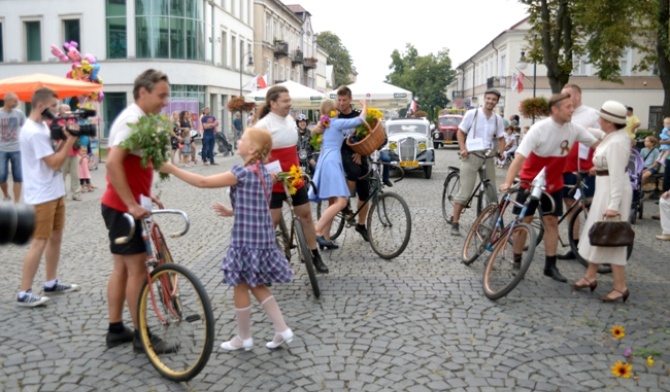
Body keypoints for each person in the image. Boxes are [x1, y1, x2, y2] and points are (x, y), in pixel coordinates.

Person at [160, 128, 294, 351]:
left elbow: (203, 182)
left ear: (251, 149)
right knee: (256, 284)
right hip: (262, 239)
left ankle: (245, 337)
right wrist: (233, 211)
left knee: (240, 285)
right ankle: (281, 329)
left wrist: (172, 169)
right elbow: (257, 204)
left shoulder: (241, 173)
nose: (238, 140)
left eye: (242, 139)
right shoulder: (264, 173)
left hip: (245, 240)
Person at [500, 93, 603, 283]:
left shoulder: (574, 129)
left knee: (551, 222)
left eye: (573, 107)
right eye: (568, 107)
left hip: (554, 183)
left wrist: (600, 162)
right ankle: (517, 258)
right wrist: (508, 181)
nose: (572, 110)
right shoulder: (539, 129)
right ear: (555, 110)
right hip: (531, 182)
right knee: (525, 220)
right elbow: (520, 157)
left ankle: (550, 265)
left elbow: (598, 144)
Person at [102, 69, 171, 351]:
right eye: (161, 95)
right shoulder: (132, 120)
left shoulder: (140, 118)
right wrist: (131, 203)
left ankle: (116, 328)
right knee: (138, 272)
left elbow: (132, 164)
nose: (165, 101)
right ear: (143, 92)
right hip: (122, 209)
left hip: (123, 205)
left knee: (121, 269)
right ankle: (142, 335)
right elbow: (112, 163)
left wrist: (144, 195)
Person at [16, 87, 81, 307]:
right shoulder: (33, 131)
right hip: (41, 195)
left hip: (53, 190)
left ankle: (51, 282)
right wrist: (71, 141)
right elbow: (54, 163)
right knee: (39, 242)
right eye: (53, 107)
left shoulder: (42, 126)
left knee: (56, 237)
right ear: (41, 106)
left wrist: (65, 139)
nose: (56, 111)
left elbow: (54, 153)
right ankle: (24, 292)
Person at [253, 85, 328, 273]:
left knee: (306, 215)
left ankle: (314, 254)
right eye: (285, 101)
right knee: (272, 221)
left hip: (293, 176)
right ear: (273, 103)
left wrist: (315, 133)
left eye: (289, 100)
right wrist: (263, 170)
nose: (289, 104)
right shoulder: (263, 125)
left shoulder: (290, 120)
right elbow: (250, 154)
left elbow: (297, 145)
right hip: (274, 179)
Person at [571, 101, 632, 303]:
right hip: (604, 189)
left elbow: (616, 174)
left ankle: (620, 286)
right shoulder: (611, 136)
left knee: (612, 237)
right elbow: (597, 137)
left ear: (609, 122)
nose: (598, 120)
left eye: (601, 118)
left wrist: (613, 206)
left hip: (612, 193)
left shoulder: (617, 142)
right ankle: (590, 276)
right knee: (597, 233)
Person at [309, 99, 368, 248]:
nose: (339, 111)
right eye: (336, 108)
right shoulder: (335, 123)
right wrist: (365, 106)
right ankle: (316, 231)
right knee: (341, 202)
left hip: (324, 162)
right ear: (331, 111)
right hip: (332, 162)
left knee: (332, 202)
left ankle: (326, 238)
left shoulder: (324, 126)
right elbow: (361, 119)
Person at [336, 86, 390, 244]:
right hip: (343, 152)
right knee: (352, 171)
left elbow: (365, 134)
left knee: (365, 194)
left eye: (344, 100)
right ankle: (345, 203)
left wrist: (360, 151)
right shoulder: (336, 117)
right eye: (339, 100)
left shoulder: (358, 115)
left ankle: (361, 225)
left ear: (350, 100)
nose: (341, 103)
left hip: (360, 152)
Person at [449, 88, 506, 236]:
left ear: (497, 102)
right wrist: (463, 149)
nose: (490, 101)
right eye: (488, 98)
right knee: (465, 192)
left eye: (494, 99)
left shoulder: (497, 119)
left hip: (487, 156)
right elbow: (460, 132)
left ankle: (492, 223)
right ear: (484, 99)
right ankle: (455, 222)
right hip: (471, 154)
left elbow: (501, 138)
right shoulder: (472, 114)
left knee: (491, 192)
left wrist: (501, 151)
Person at [557, 83, 600, 260]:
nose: (564, 99)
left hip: (587, 169)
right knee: (569, 205)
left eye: (567, 95)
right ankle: (574, 246)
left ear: (577, 96)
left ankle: (596, 247)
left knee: (589, 206)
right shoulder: (562, 114)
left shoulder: (592, 114)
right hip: (566, 167)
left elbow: (606, 137)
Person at [0, 92, 26, 202]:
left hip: (17, 149)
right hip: (2, 149)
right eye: (15, 101)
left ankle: (16, 202)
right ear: (7, 101)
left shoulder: (19, 113)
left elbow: (25, 128)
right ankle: (6, 195)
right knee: (1, 176)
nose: (17, 103)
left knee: (18, 176)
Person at [58, 103, 82, 201]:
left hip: (74, 151)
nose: (69, 112)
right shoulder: (57, 121)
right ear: (60, 111)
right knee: (61, 175)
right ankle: (61, 194)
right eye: (66, 110)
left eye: (69, 109)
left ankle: (76, 193)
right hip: (63, 152)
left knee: (75, 174)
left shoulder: (73, 119)